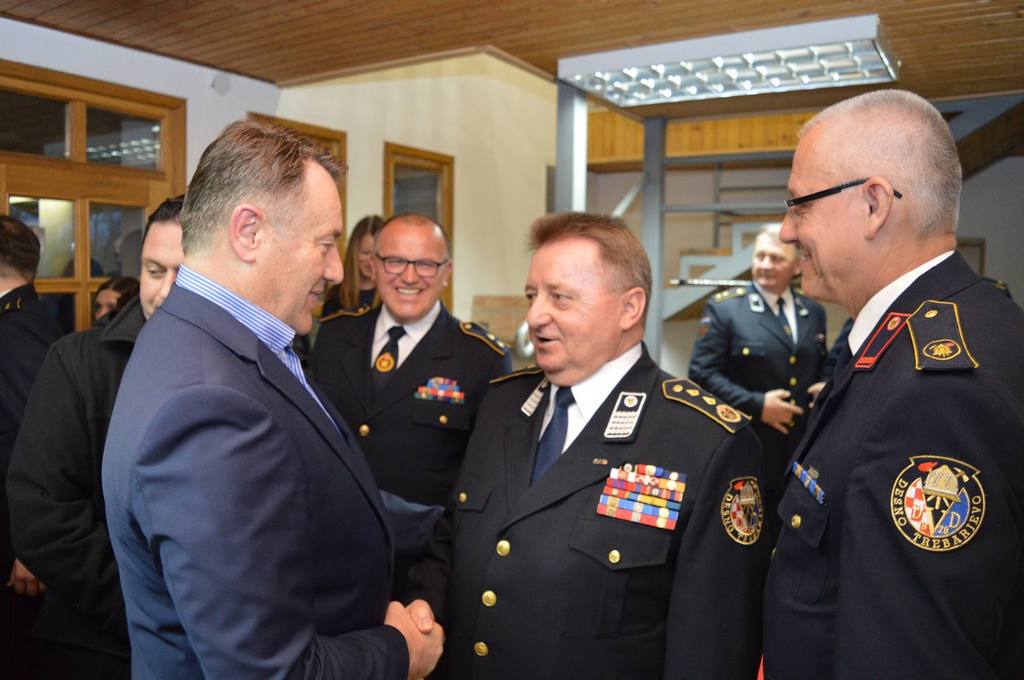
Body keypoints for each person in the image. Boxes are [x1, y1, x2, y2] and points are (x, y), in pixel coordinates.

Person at [102, 121, 442, 679]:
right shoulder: (207, 404)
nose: (337, 269)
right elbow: (267, 670)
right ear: (249, 232)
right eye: (325, 243)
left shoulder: (209, 337)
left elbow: (305, 490)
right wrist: (400, 650)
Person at [408, 212, 769, 679]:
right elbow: (454, 537)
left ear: (629, 308)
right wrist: (424, 605)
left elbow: (712, 649)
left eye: (560, 297)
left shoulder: (703, 440)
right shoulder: (502, 404)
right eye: (533, 295)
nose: (535, 316)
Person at [764, 90, 1024, 678]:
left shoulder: (937, 394)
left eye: (799, 205)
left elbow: (911, 656)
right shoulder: (945, 330)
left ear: (874, 204)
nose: (786, 231)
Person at [6, 197, 184, 679]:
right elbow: (43, 515)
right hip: (96, 644)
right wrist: (151, 612)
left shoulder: (245, 364)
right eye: (153, 271)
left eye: (184, 275)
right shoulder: (79, 362)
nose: (165, 291)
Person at [311, 213, 511, 592]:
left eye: (425, 264)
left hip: (420, 569)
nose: (408, 276)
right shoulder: (335, 334)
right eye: (395, 261)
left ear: (446, 272)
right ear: (374, 265)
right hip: (330, 556)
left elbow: (482, 483)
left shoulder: (481, 357)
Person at [688, 225, 827, 539]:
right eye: (760, 256)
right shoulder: (725, 309)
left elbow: (816, 367)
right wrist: (758, 405)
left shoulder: (813, 311)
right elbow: (701, 375)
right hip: (746, 446)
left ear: (796, 266)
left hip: (799, 453)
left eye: (776, 258)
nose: (765, 264)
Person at [0, 215, 63, 680]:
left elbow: (42, 440)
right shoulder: (35, 318)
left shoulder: (12, 331)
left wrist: (31, 545)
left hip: (15, 537)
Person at [322, 214, 383, 317]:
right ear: (353, 253)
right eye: (365, 253)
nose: (371, 261)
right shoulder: (336, 296)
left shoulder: (392, 297)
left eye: (377, 254)